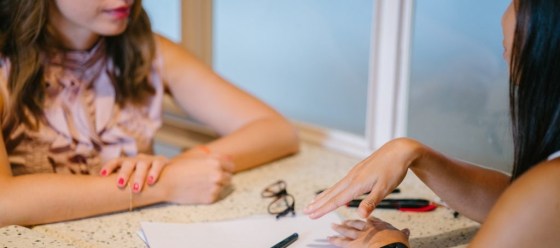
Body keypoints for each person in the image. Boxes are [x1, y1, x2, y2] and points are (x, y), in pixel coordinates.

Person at [0, 0, 299, 227]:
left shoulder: (151, 50)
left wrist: (171, 168)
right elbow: (4, 202)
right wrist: (162, 184)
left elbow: (276, 130)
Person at [304, 0, 560, 247]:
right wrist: (414, 153)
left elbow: (534, 205)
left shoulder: (551, 184)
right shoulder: (544, 188)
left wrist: (389, 247)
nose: (503, 15)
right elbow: (519, 206)